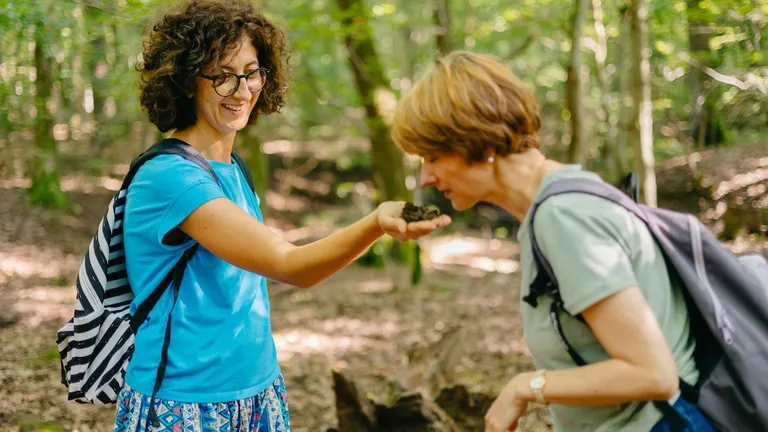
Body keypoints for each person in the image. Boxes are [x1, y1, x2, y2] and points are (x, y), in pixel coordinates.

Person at [114, 1, 451, 431]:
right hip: (184, 403)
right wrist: (376, 223)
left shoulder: (234, 169)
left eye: (252, 72)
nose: (242, 90)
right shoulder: (170, 177)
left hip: (258, 391)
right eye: (221, 75)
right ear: (185, 81)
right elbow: (289, 265)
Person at [390, 50, 716, 432]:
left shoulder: (564, 217)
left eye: (432, 157)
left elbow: (653, 374)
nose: (426, 178)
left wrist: (525, 387)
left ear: (482, 142)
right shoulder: (557, 202)